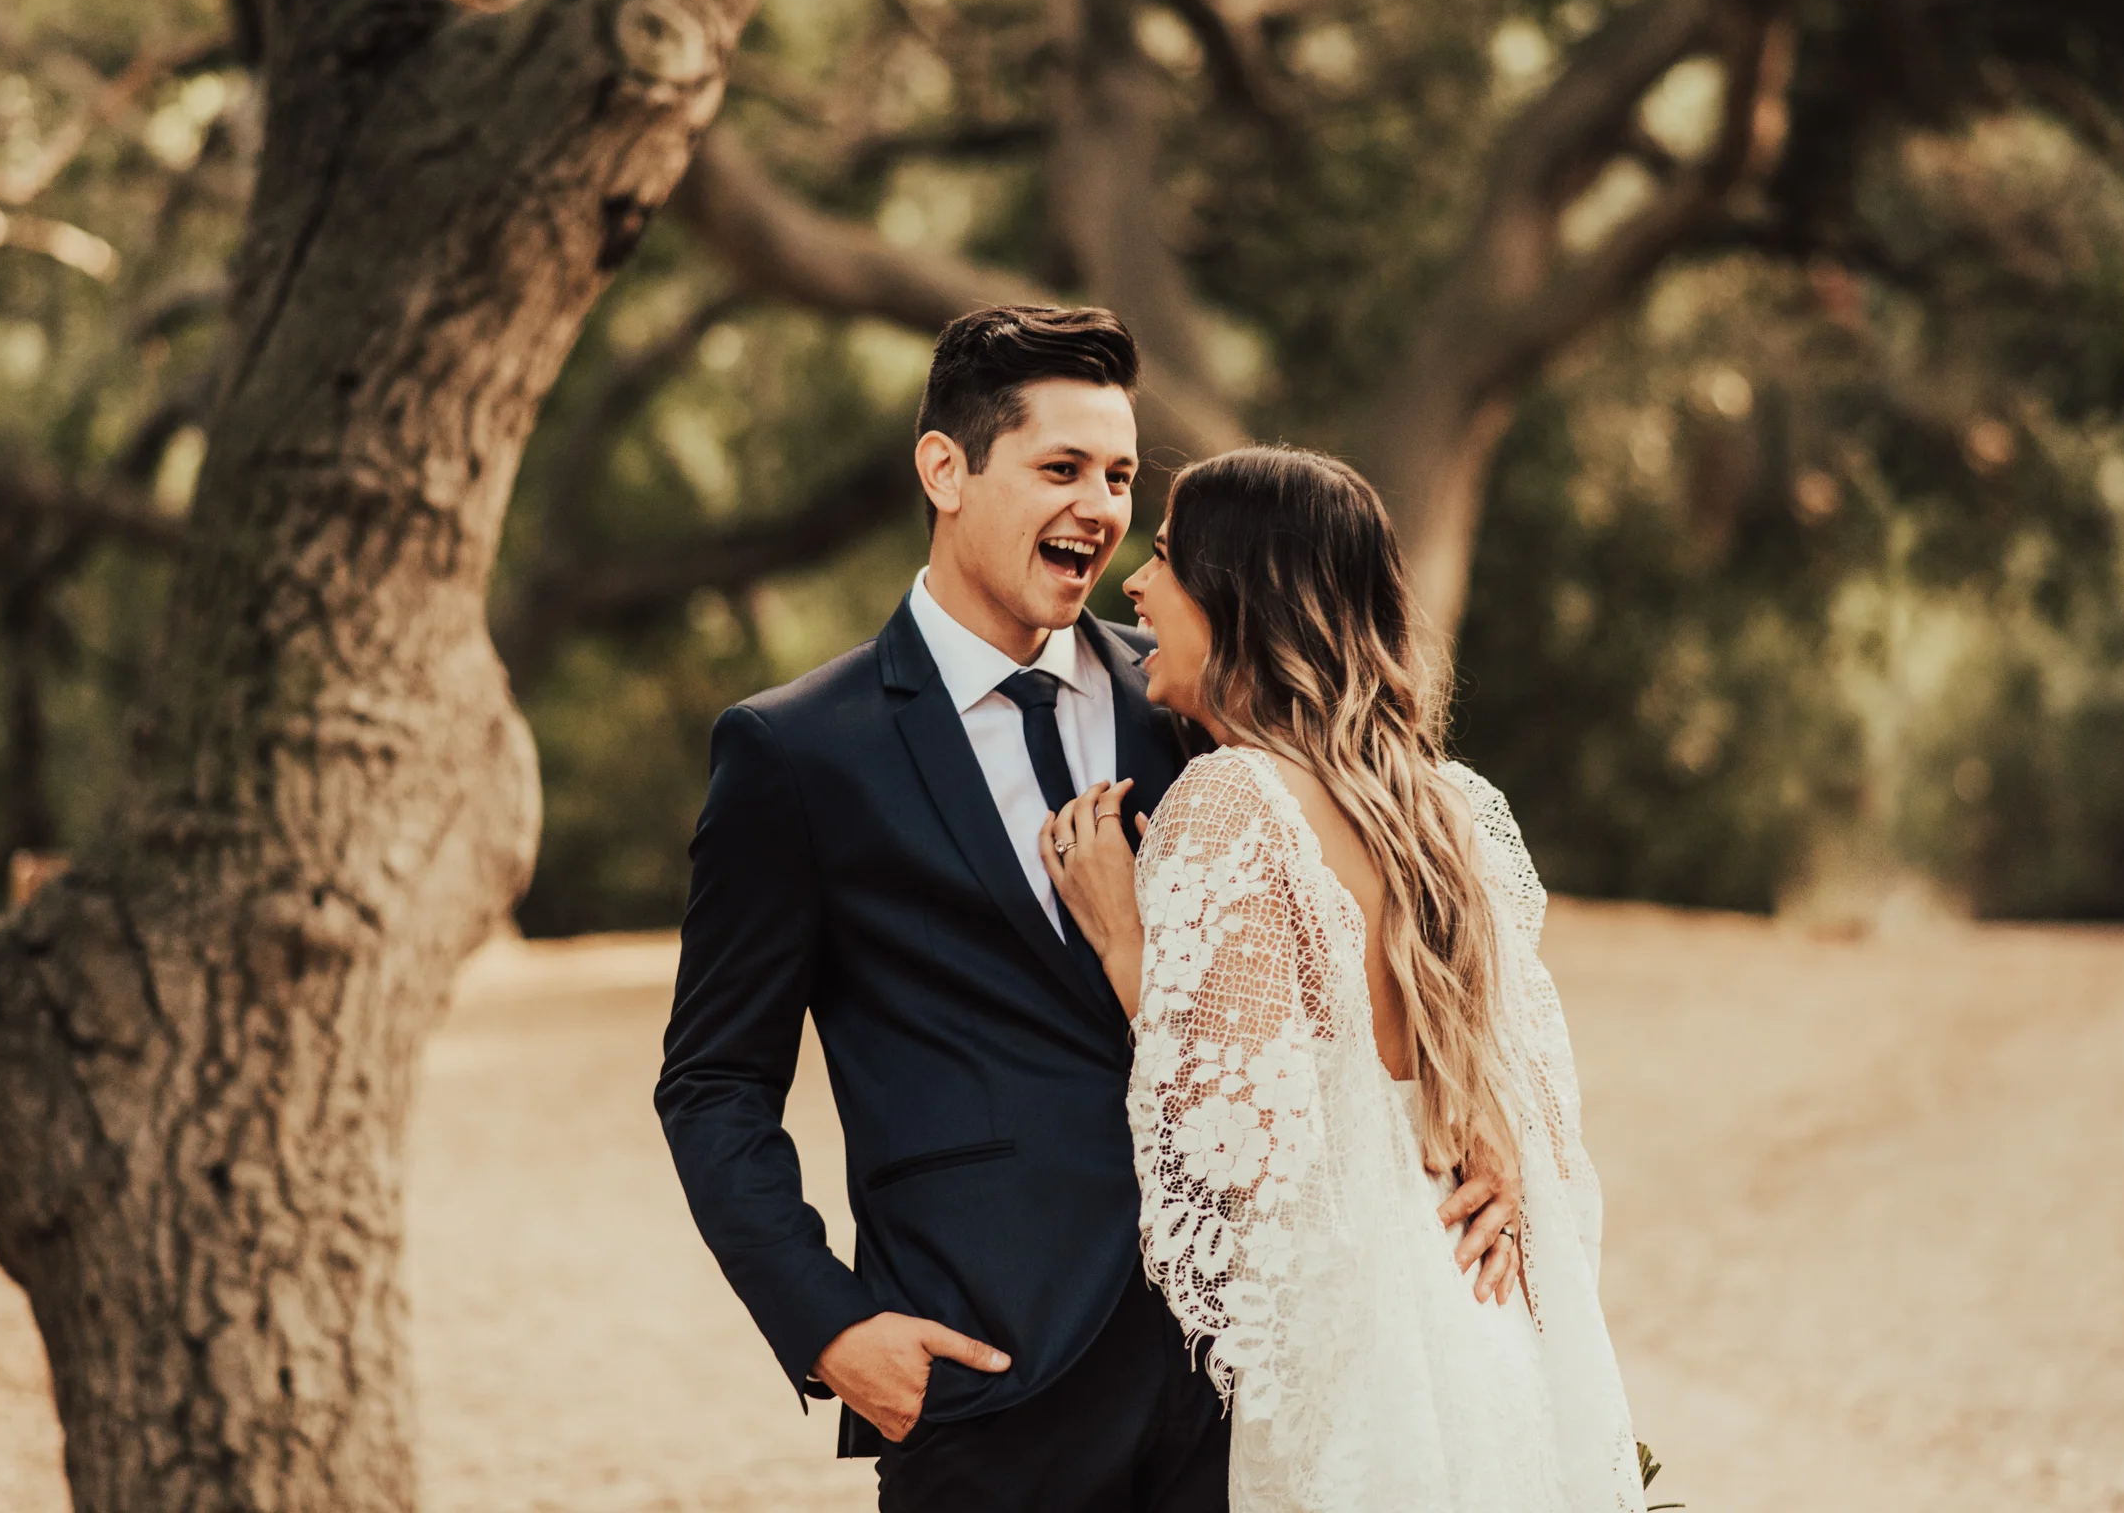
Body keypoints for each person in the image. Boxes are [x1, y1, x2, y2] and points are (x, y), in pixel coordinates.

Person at [654, 309, 1531, 1513]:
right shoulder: (797, 753)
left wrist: (1479, 1115)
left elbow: (1374, 905)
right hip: (990, 1382)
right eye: (1061, 468)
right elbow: (713, 1082)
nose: (1101, 508)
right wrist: (830, 1327)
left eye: (1119, 477)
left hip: (1244, 1377)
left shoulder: (1195, 696)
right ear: (945, 469)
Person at [1044, 446, 1644, 1512]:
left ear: (1238, 595)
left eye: (1168, 558)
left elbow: (1236, 1146)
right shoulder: (1446, 807)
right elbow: (1536, 1117)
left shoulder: (1234, 801)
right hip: (1478, 1310)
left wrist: (1124, 939)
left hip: (1361, 1341)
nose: (1136, 584)